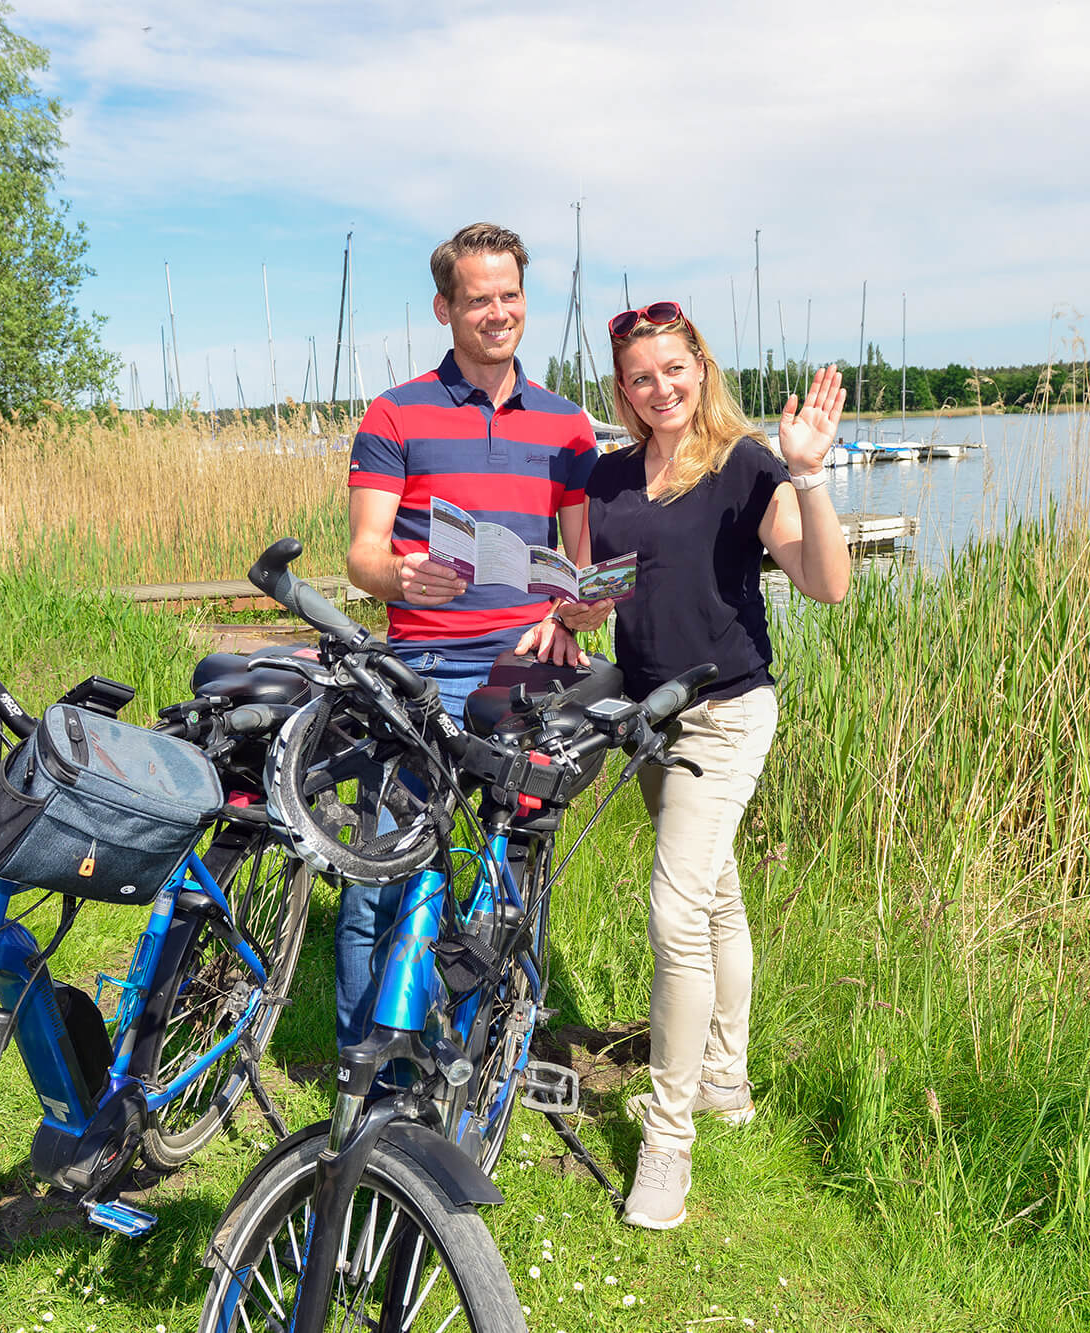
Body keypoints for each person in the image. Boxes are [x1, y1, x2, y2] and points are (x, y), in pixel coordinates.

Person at [564, 301, 850, 1229]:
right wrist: (566, 613)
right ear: (624, 388)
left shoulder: (746, 467)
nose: (661, 390)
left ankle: (668, 1140)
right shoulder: (607, 481)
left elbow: (825, 582)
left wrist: (810, 474)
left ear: (701, 367)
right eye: (642, 378)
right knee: (717, 893)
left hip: (726, 715)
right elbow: (597, 590)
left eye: (674, 371)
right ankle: (726, 1072)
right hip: (650, 716)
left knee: (675, 908)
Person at [339, 221, 595, 1047]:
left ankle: (487, 1053)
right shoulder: (396, 412)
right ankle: (368, 1060)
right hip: (418, 667)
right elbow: (363, 557)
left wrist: (574, 607)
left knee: (514, 867)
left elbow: (584, 563)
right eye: (479, 299)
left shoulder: (567, 424)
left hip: (526, 672)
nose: (498, 312)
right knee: (382, 867)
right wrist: (399, 576)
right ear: (445, 307)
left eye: (510, 296)